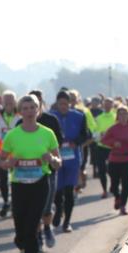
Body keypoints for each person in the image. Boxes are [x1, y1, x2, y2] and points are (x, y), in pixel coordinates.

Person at [0, 94, 61, 253]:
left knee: (32, 227)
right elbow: (1, 161)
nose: (29, 111)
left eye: (32, 107)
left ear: (38, 109)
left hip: (40, 183)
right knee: (20, 231)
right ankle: (23, 251)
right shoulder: (12, 135)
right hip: (19, 185)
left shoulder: (47, 133)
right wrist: (9, 163)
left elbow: (59, 163)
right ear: (20, 111)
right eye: (24, 108)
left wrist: (51, 159)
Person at [26, 90, 64, 250]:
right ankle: (38, 236)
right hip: (27, 173)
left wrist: (49, 156)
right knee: (34, 208)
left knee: (47, 207)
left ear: (40, 104)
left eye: (35, 105)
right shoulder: (19, 125)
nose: (31, 110)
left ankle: (47, 228)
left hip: (48, 171)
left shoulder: (51, 121)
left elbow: (59, 144)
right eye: (27, 107)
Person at [49, 90, 91, 233]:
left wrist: (76, 142)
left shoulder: (79, 116)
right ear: (57, 104)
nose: (63, 107)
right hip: (56, 158)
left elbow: (86, 134)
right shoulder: (51, 117)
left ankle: (67, 222)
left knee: (69, 191)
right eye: (61, 104)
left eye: (66, 104)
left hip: (73, 158)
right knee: (57, 191)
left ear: (70, 103)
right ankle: (59, 209)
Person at [0, 91, 20, 218]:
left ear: (15, 101)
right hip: (1, 152)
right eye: (6, 101)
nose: (9, 103)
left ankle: (15, 202)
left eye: (11, 101)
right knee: (3, 180)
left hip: (17, 152)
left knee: (16, 178)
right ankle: (6, 201)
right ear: (2, 102)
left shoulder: (20, 115)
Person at [102, 106, 128, 215]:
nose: (123, 116)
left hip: (127, 159)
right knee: (114, 185)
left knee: (126, 184)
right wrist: (113, 142)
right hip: (114, 159)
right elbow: (103, 140)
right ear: (117, 116)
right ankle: (117, 197)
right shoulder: (113, 128)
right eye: (120, 114)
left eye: (125, 114)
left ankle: (123, 206)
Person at [91, 97, 118, 199]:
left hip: (113, 148)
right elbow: (94, 133)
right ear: (103, 105)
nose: (107, 105)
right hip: (101, 147)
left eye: (109, 103)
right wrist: (100, 134)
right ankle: (104, 190)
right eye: (106, 103)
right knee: (101, 170)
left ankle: (114, 186)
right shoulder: (98, 118)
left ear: (112, 105)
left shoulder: (116, 118)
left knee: (112, 170)